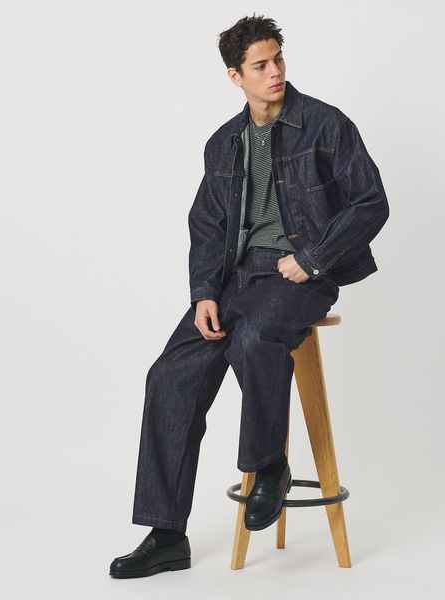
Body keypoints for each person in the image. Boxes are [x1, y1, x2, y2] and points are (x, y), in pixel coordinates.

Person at [109, 13, 389, 579]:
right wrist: (203, 293)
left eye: (278, 59)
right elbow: (207, 225)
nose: (275, 72)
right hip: (234, 279)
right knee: (169, 376)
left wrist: (312, 259)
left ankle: (267, 466)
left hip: (300, 275)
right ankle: (166, 535)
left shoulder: (325, 125)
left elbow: (371, 202)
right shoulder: (223, 144)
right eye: (260, 66)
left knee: (256, 338)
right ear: (235, 76)